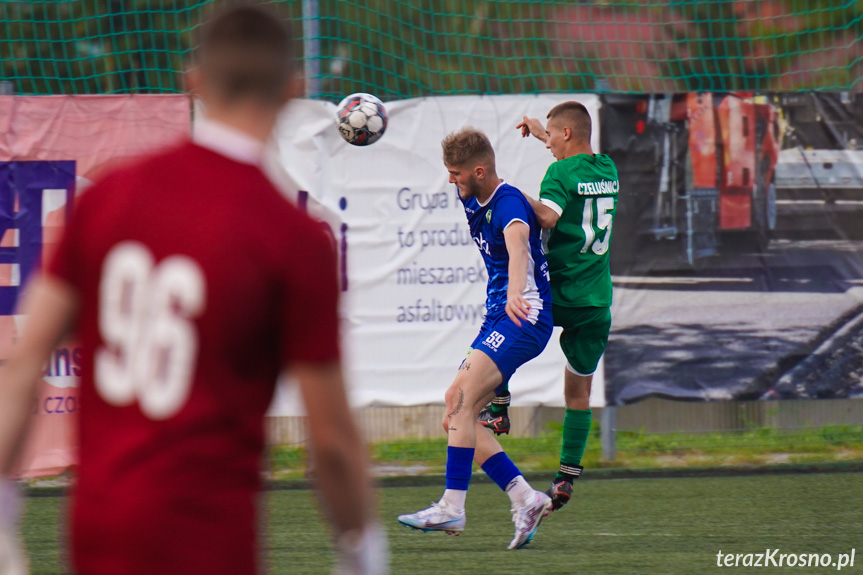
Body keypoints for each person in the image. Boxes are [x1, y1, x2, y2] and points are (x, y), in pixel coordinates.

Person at [0, 5, 386, 575]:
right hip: (208, 537)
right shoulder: (294, 238)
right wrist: (363, 550)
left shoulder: (110, 195)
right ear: (292, 92)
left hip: (97, 528)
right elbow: (329, 438)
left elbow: (25, 360)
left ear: (194, 81)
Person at [398, 127, 554, 550]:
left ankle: (452, 507)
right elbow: (547, 218)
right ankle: (526, 498)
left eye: (456, 173)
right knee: (455, 412)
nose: (451, 180)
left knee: (464, 399)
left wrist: (518, 292)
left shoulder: (505, 203)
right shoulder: (475, 194)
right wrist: (542, 208)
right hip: (499, 316)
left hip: (523, 315)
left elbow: (519, 242)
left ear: (479, 171)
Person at [479, 102, 618, 512]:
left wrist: (511, 194)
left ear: (567, 135)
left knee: (503, 319)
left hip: (559, 294)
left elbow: (548, 217)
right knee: (579, 391)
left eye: (554, 139)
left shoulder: (559, 173)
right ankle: (566, 478)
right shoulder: (607, 168)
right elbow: (572, 152)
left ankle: (499, 409)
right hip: (596, 301)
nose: (550, 147)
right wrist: (543, 131)